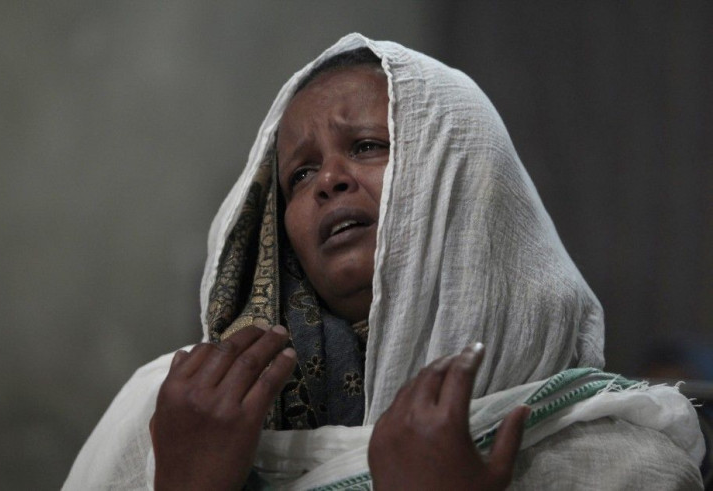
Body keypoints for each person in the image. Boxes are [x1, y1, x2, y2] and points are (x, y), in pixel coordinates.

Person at [64, 34, 704, 490]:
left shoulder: (617, 463)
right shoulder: (171, 415)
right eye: (301, 173)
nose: (328, 182)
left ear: (464, 182)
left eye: (367, 146)